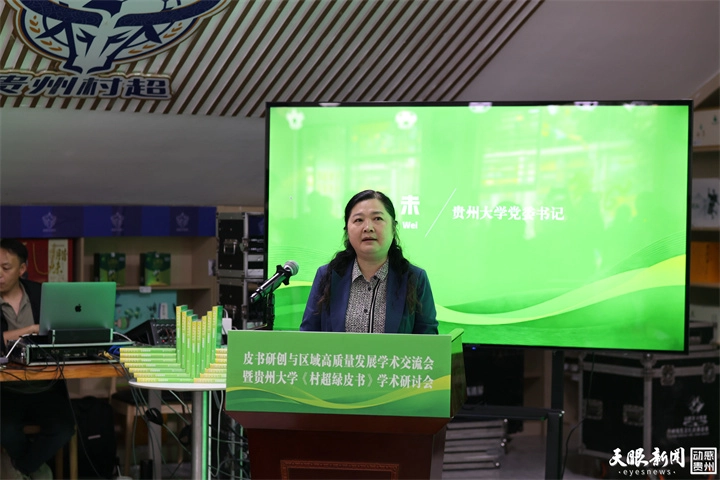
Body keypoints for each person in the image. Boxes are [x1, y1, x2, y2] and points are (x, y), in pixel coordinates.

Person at [301, 190, 438, 334]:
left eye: (377, 218)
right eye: (358, 220)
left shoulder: (415, 278)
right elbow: (308, 335)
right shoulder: (327, 276)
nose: (368, 228)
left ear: (393, 228)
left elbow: (428, 339)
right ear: (347, 230)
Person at [0, 239, 76, 480]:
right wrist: (31, 329)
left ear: (22, 269)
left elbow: (61, 330)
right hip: (5, 388)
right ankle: (39, 471)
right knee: (5, 430)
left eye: (5, 268)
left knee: (64, 428)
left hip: (45, 385)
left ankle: (21, 468)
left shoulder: (42, 294)